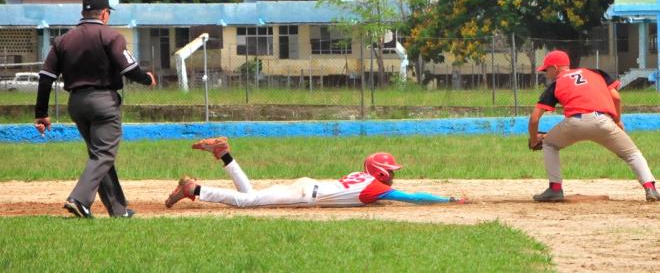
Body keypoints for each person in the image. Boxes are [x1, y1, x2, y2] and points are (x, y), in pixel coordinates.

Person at [34, 0, 156, 218]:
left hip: (76, 104)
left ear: (84, 12)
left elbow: (46, 77)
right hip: (103, 102)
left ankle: (118, 210)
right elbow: (129, 68)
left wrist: (41, 113)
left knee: (99, 154)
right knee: (104, 155)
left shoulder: (62, 40)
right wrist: (147, 79)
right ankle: (78, 199)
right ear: (104, 14)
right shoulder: (111, 37)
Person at [165, 137, 468, 208]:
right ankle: (195, 189)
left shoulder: (361, 177)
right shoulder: (375, 187)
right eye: (389, 171)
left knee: (251, 194)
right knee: (249, 202)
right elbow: (412, 197)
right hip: (306, 194)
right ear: (380, 172)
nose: (392, 177)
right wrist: (447, 200)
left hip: (308, 185)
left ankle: (224, 154)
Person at [528, 50, 660, 203]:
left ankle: (555, 189)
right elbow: (616, 97)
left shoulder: (556, 84)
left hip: (574, 123)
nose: (546, 73)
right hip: (603, 121)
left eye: (546, 69)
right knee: (632, 154)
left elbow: (534, 119)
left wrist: (533, 140)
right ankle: (650, 188)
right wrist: (617, 120)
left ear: (556, 67)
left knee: (549, 144)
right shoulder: (596, 73)